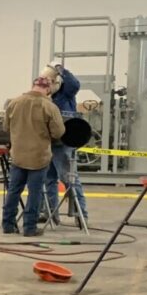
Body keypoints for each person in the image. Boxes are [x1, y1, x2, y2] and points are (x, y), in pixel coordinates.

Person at [2, 74, 66, 236]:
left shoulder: (14, 103)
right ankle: (29, 227)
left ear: (33, 85)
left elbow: (5, 127)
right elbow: (59, 132)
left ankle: (8, 225)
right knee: (35, 192)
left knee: (14, 190)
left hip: (18, 155)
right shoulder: (49, 107)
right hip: (39, 157)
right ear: (48, 89)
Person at [42, 59, 89, 223]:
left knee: (69, 179)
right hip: (48, 144)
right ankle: (50, 214)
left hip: (63, 144)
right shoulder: (45, 98)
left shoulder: (65, 93)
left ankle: (80, 214)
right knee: (48, 180)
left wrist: (60, 69)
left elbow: (74, 84)